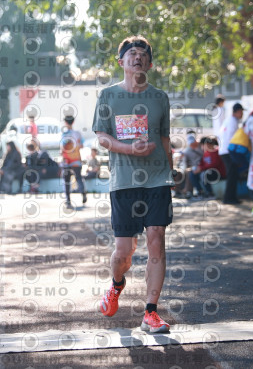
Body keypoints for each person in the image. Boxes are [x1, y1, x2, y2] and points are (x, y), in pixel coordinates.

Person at [93, 35, 173, 333]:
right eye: (132, 53)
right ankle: (116, 285)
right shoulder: (108, 95)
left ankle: (151, 312)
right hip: (124, 182)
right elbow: (101, 137)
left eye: (143, 54)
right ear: (121, 62)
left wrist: (171, 172)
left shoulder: (160, 98)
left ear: (149, 64)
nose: (137, 57)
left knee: (156, 239)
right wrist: (129, 149)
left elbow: (164, 139)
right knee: (123, 252)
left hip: (157, 179)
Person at [219, 103, 244, 204]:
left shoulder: (229, 120)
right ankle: (229, 198)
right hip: (229, 151)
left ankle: (231, 197)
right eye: (241, 112)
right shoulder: (233, 122)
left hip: (224, 150)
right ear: (238, 111)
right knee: (232, 175)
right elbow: (233, 139)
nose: (242, 114)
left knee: (232, 175)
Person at [61, 115, 86, 208]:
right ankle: (83, 193)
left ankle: (68, 201)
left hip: (67, 161)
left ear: (65, 122)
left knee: (66, 180)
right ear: (73, 122)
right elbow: (82, 146)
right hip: (76, 160)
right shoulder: (78, 133)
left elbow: (62, 148)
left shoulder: (64, 134)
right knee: (78, 178)